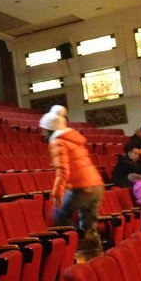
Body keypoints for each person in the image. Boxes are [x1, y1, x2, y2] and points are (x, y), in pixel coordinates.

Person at [40, 105, 104, 259]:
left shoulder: (58, 142)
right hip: (96, 185)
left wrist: (57, 195)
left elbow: (63, 170)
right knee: (89, 224)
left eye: (43, 130)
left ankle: (76, 248)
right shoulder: (74, 140)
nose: (42, 133)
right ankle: (95, 255)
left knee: (59, 214)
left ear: (50, 130)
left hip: (82, 186)